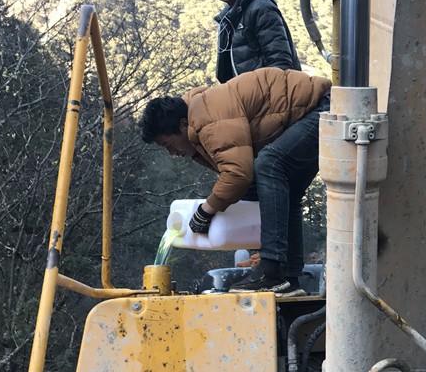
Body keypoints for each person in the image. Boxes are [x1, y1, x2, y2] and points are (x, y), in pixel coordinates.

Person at [140, 67, 331, 296]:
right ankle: (287, 277)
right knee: (284, 191)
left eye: (168, 145)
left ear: (182, 124)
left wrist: (206, 211)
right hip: (314, 115)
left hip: (324, 109)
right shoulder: (198, 125)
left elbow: (238, 174)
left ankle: (271, 272)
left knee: (269, 164)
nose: (172, 153)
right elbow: (249, 187)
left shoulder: (205, 116)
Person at [203, 0, 301, 84]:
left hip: (272, 94)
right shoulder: (227, 20)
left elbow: (280, 65)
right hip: (245, 95)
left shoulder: (260, 8)